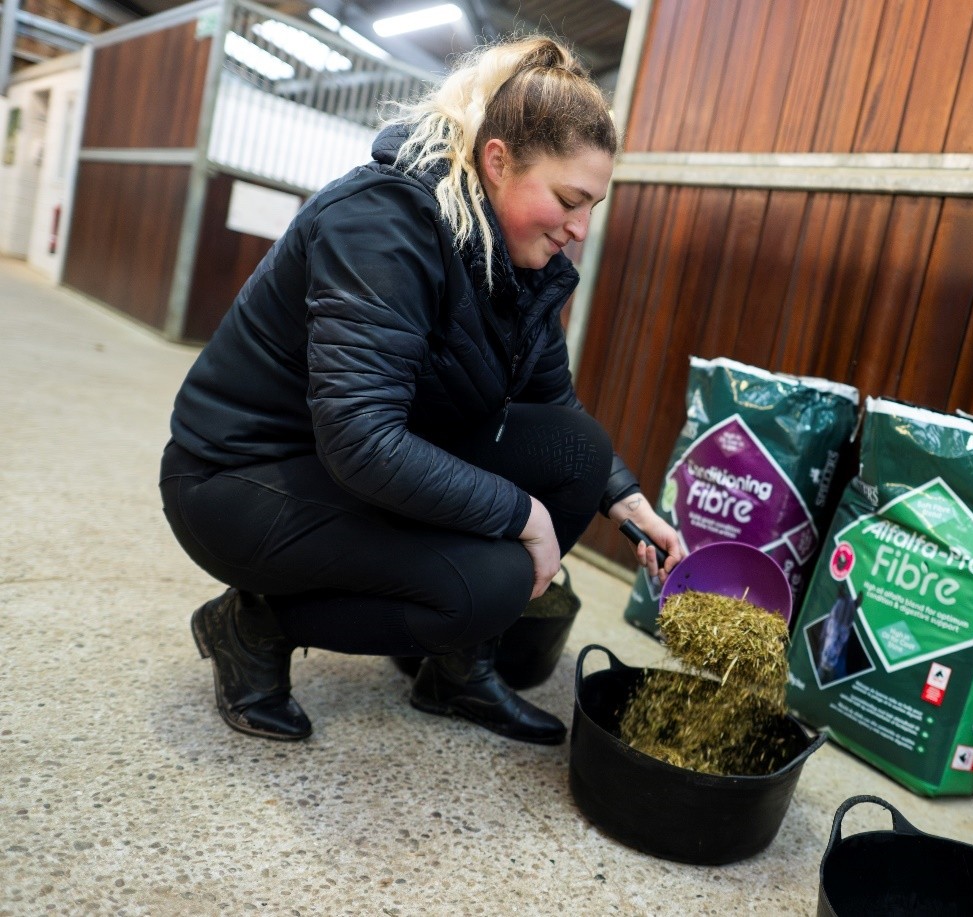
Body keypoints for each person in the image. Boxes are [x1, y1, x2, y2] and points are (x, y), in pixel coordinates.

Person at [159, 36, 682, 746]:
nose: (579, 229)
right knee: (491, 578)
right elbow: (360, 437)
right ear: (497, 161)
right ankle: (252, 622)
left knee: (576, 451)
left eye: (591, 205)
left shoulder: (519, 254)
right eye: (568, 199)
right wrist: (520, 514)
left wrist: (624, 496)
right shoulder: (381, 220)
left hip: (350, 463)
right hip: (244, 478)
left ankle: (453, 670)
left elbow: (552, 403)